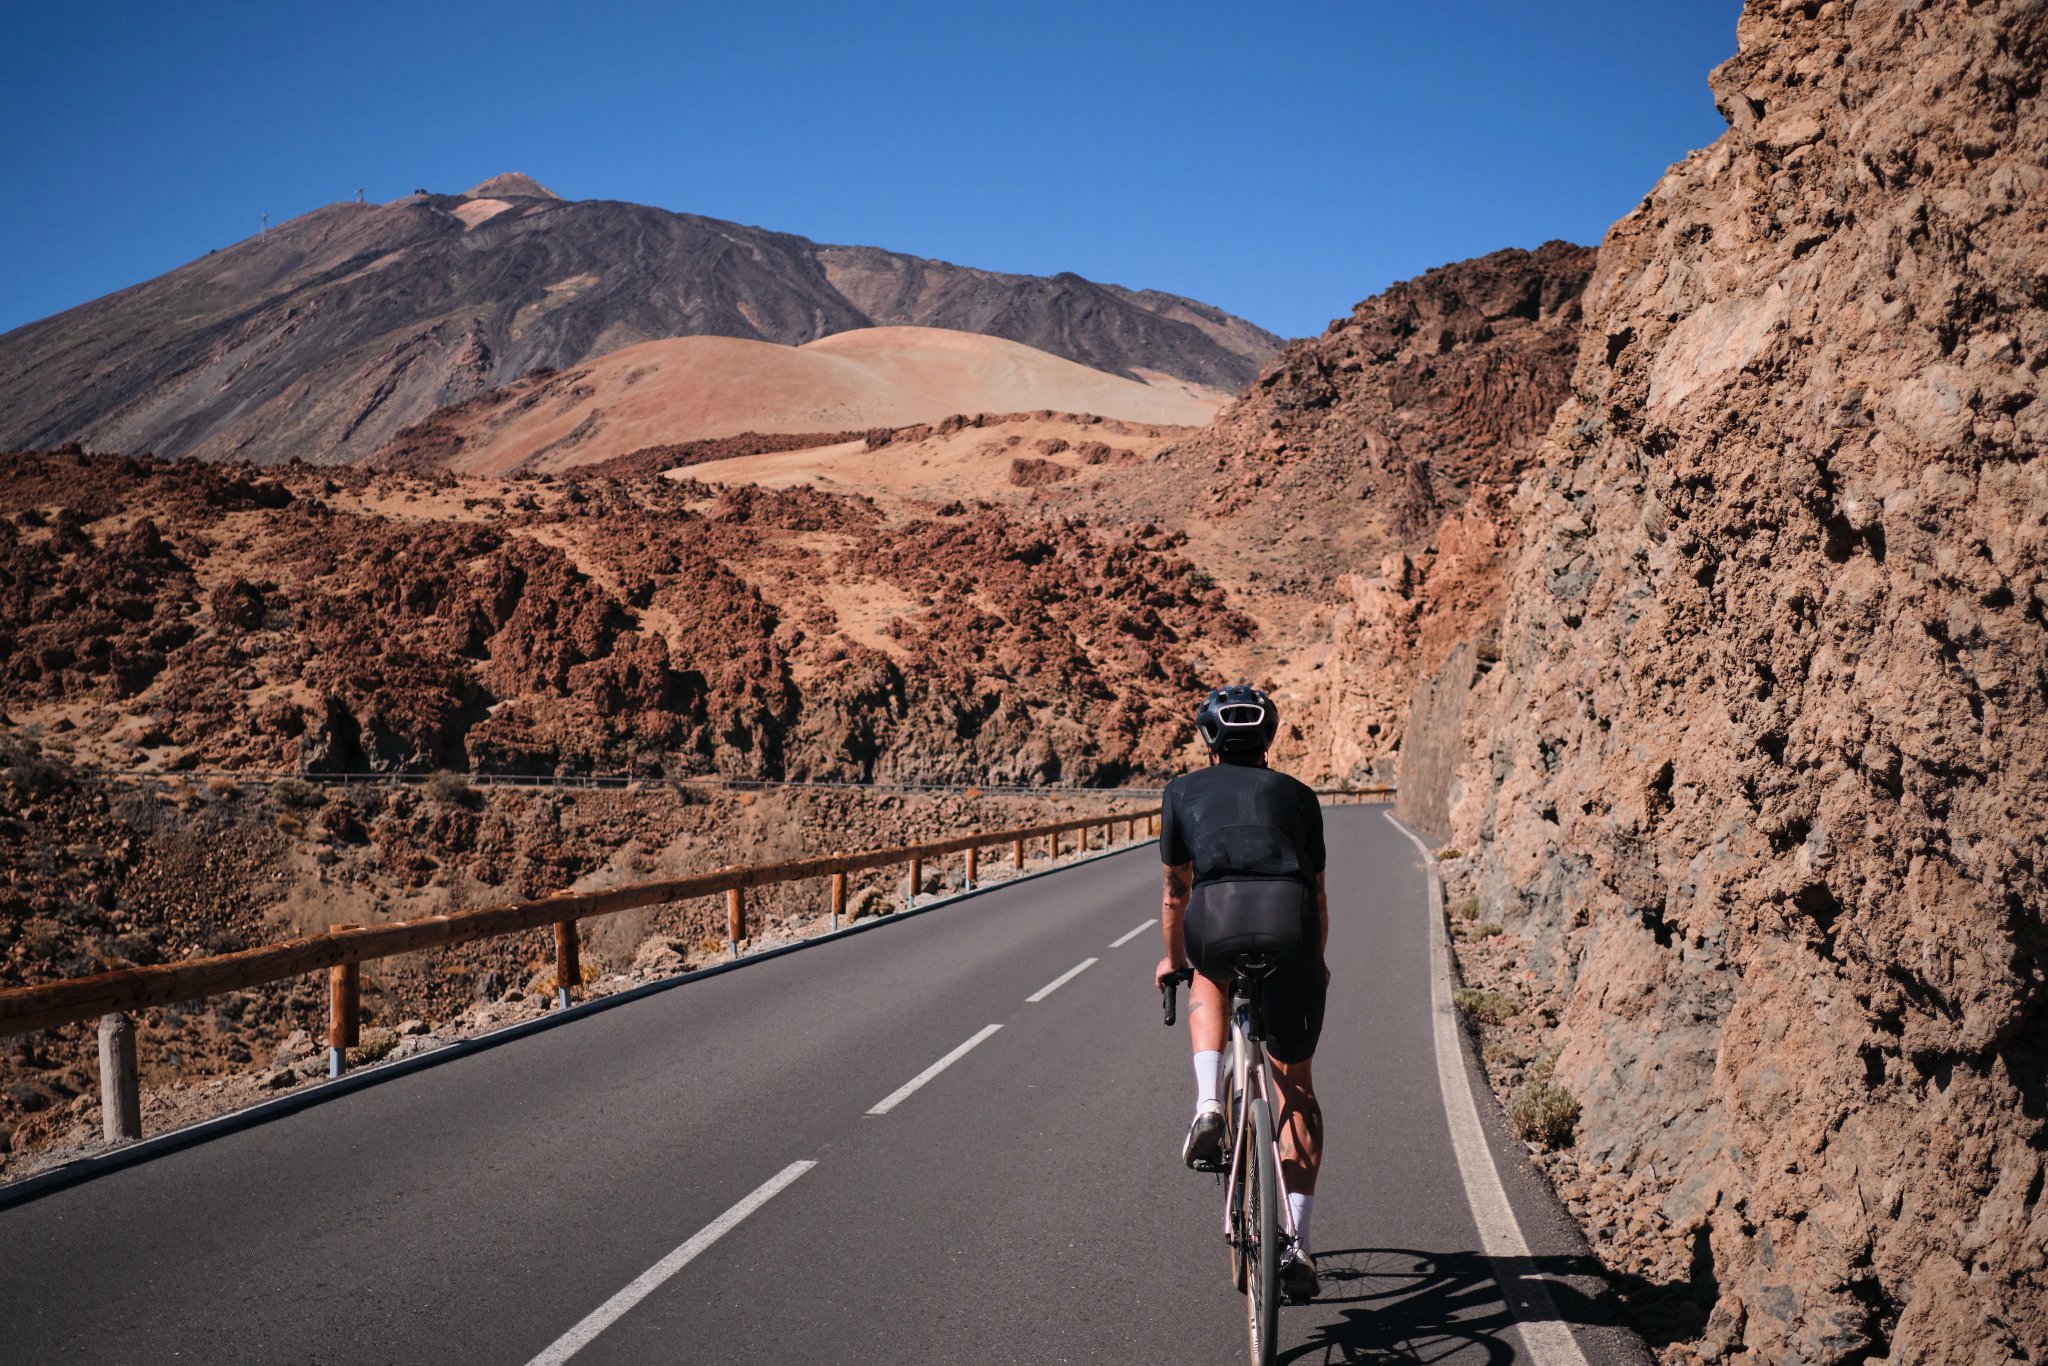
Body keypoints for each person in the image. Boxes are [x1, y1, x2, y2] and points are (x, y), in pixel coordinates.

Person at [1154, 683, 1329, 1301]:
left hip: (1217, 921)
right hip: (1292, 926)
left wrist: (1173, 961)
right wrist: (1317, 962)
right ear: (1267, 738)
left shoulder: (1181, 792)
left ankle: (1209, 1105)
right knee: (1297, 1088)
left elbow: (1177, 893)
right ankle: (1298, 1247)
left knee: (1209, 975)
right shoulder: (1300, 795)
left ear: (1209, 739)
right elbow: (1319, 894)